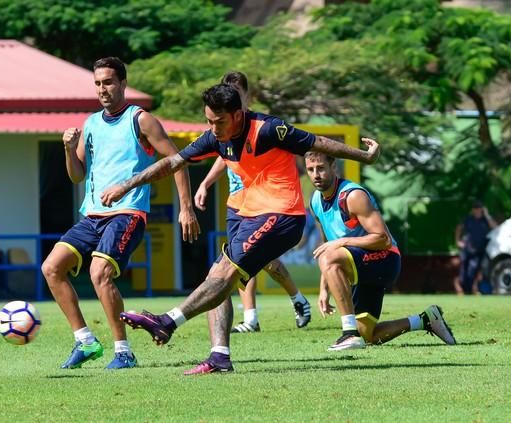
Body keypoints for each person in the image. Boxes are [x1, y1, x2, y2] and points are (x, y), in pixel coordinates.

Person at [102, 83, 380, 375]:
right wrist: (127, 185)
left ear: (238, 114)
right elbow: (173, 162)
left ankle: (167, 322)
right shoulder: (214, 137)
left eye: (219, 121)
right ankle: (220, 355)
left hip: (282, 214)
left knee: (225, 272)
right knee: (218, 276)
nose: (214, 128)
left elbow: (318, 143)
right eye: (209, 121)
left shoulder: (270, 129)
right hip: (248, 213)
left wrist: (364, 156)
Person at [40, 57, 200, 370]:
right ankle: (86, 342)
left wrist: (186, 207)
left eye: (109, 82)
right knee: (51, 268)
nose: (103, 89)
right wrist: (67, 149)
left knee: (99, 272)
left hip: (127, 213)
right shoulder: (90, 124)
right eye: (98, 83)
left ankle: (123, 351)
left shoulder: (140, 120)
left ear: (123, 84)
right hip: (92, 217)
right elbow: (77, 175)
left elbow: (176, 160)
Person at [194, 71, 311, 333]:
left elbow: (295, 147)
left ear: (247, 96)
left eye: (236, 91)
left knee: (262, 262)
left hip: (267, 202)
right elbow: (221, 155)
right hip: (238, 202)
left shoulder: (262, 126)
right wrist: (205, 183)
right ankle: (251, 318)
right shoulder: (223, 127)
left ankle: (297, 297)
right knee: (235, 262)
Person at [305, 151, 457, 350]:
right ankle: (425, 319)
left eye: (321, 168)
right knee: (369, 335)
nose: (316, 174)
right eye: (310, 169)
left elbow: (383, 239)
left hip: (385, 259)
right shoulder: (315, 201)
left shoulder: (352, 196)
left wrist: (342, 242)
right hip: (359, 263)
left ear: (334, 167)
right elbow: (329, 247)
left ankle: (349, 334)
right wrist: (324, 290)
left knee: (331, 256)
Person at [453, 199, 497, 295]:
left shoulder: (485, 220)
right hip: (466, 249)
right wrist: (457, 241)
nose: (477, 211)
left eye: (479, 209)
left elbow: (495, 227)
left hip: (478, 250)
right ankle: (459, 288)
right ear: (473, 210)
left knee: (473, 271)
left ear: (482, 209)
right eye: (475, 209)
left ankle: (472, 289)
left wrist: (487, 214)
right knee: (463, 272)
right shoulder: (468, 219)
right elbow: (458, 228)